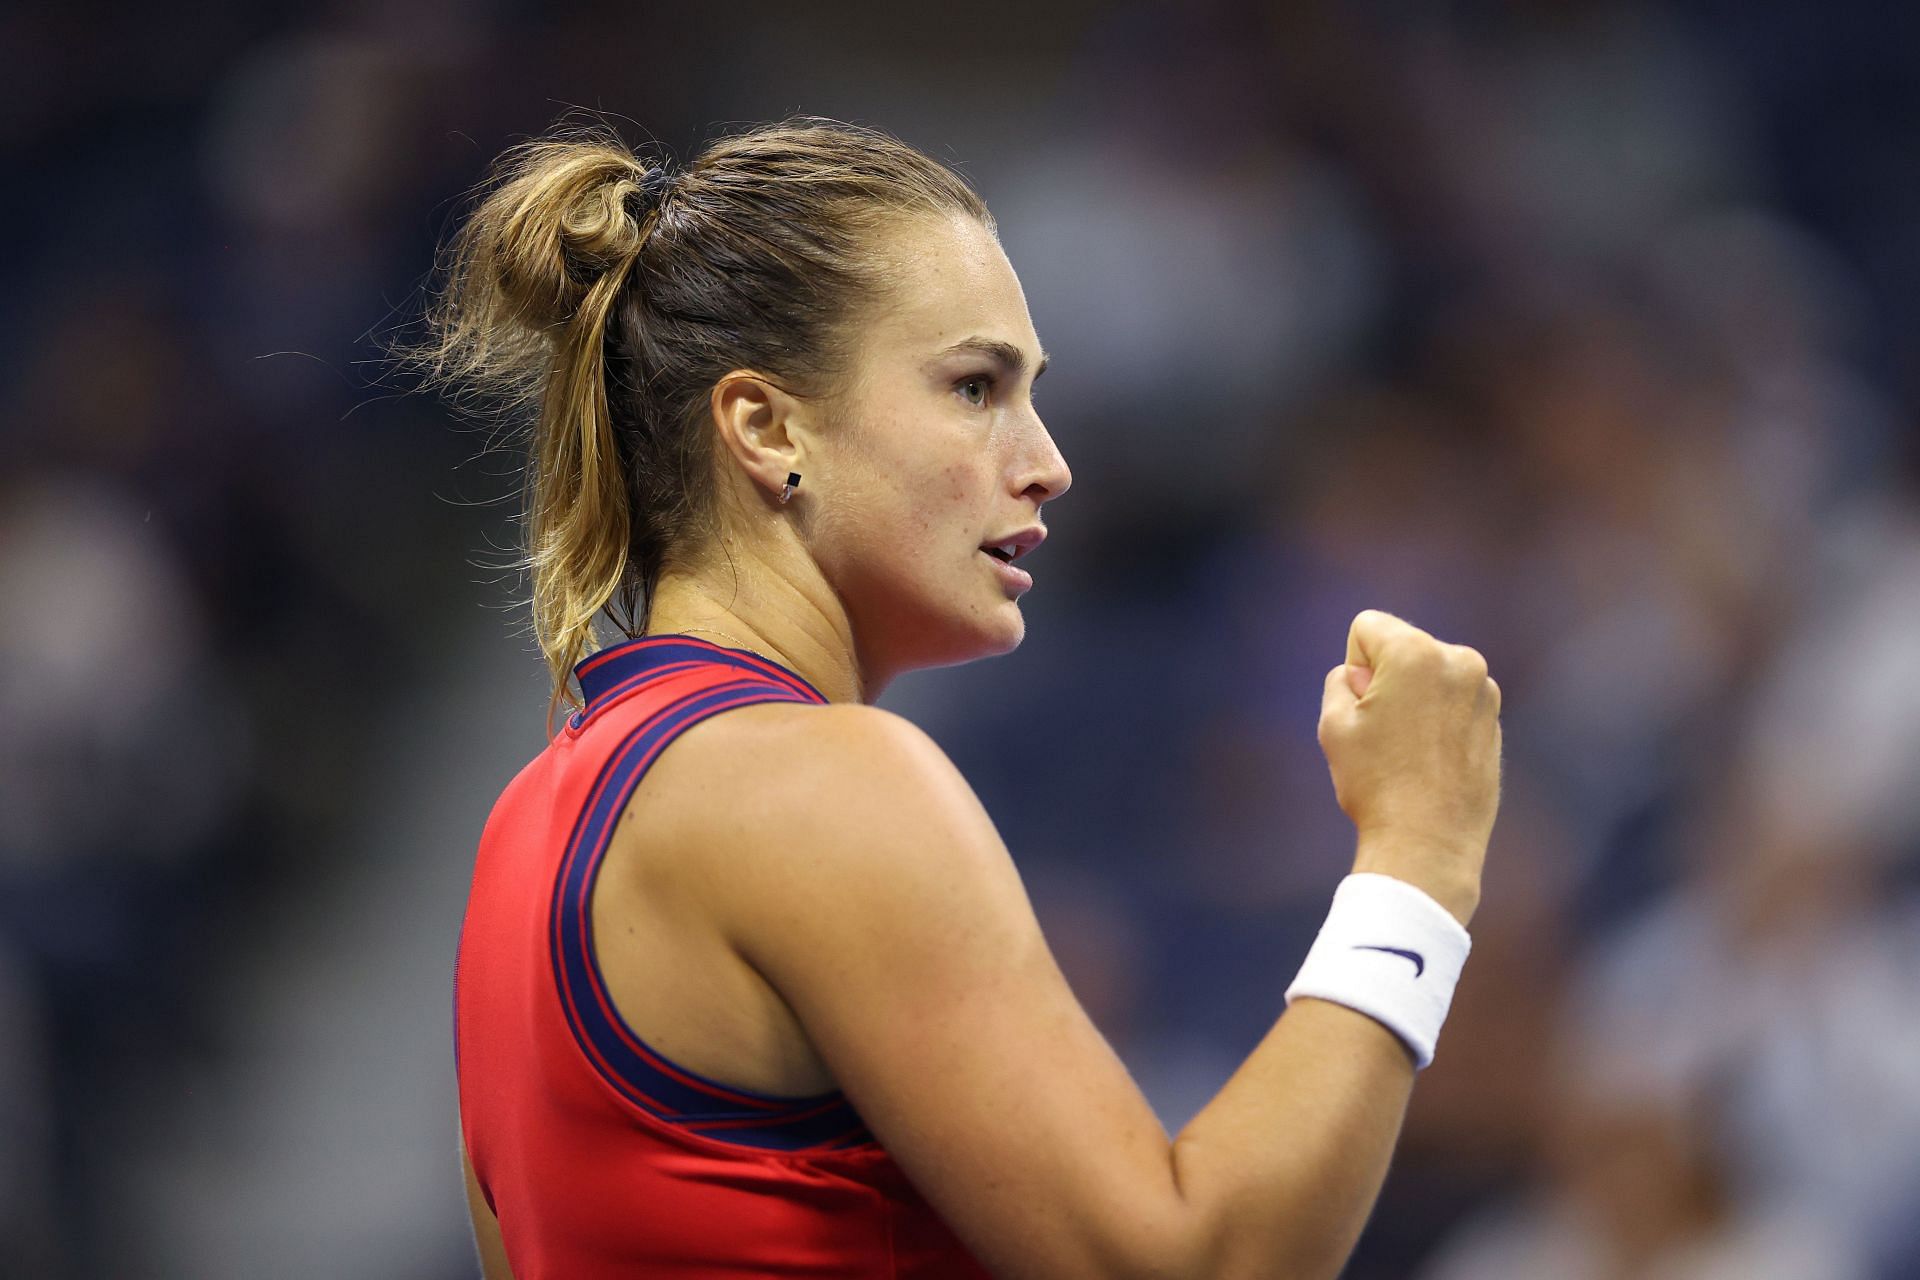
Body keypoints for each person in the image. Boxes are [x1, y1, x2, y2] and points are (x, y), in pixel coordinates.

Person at [426, 117, 1503, 1279]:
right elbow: (1197, 1259)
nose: (1047, 460)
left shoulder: (525, 825)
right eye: (976, 386)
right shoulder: (824, 781)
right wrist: (1417, 860)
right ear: (768, 426)